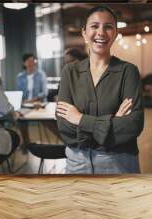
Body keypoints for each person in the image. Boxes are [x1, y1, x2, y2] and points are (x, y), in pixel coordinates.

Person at [56, 5, 144, 174]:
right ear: (84, 33)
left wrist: (80, 119)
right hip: (77, 163)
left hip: (118, 163)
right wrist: (111, 122)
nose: (101, 32)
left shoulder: (128, 71)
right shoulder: (70, 71)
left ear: (115, 34)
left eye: (108, 27)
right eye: (94, 26)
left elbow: (133, 125)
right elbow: (64, 127)